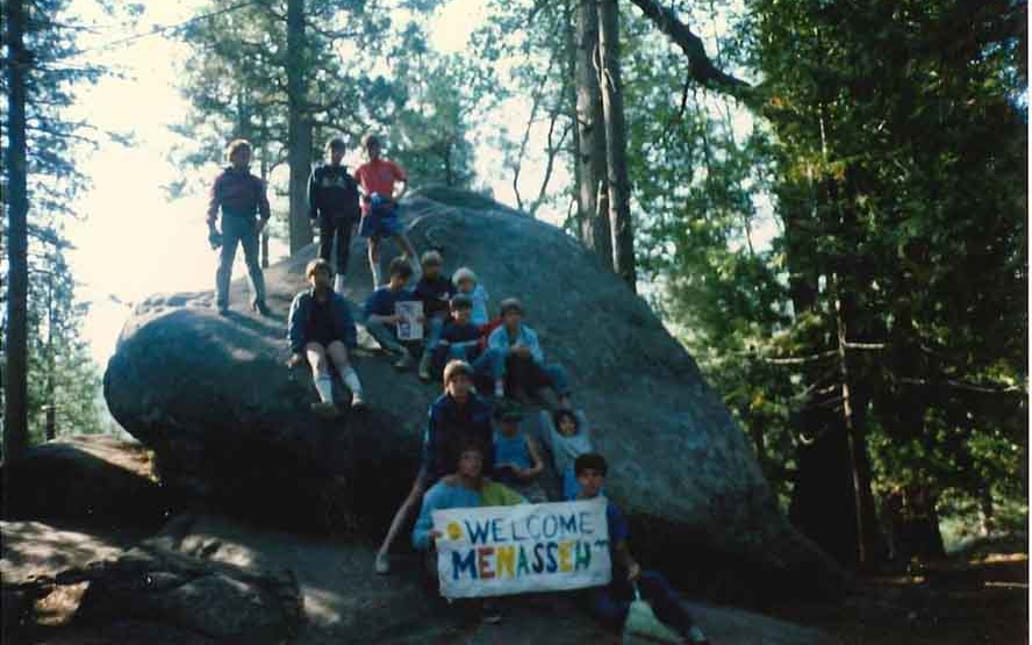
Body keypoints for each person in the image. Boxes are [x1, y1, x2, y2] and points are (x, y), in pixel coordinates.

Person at [574, 453, 709, 645]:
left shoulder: (609, 509)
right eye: (585, 475)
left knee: (655, 582)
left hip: (614, 573)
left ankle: (691, 632)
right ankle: (652, 628)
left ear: (602, 479)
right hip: (590, 582)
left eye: (596, 475)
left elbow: (620, 546)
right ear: (578, 478)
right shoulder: (567, 510)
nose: (591, 481)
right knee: (606, 611)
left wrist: (632, 565)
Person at [375, 360, 495, 575]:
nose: (459, 385)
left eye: (464, 380)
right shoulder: (440, 408)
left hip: (472, 462)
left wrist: (485, 472)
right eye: (455, 381)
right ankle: (385, 550)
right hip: (441, 464)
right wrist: (444, 475)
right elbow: (433, 445)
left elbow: (487, 442)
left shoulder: (480, 407)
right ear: (447, 384)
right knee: (416, 497)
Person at [411, 440, 523, 624]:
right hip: (447, 554)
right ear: (457, 462)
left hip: (482, 553)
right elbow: (417, 535)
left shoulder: (490, 489)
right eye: (467, 458)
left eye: (478, 458)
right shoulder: (439, 493)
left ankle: (486, 601)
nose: (474, 463)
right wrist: (429, 536)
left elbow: (524, 506)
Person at [287, 259, 365, 414]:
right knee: (318, 362)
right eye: (316, 274)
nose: (320, 278)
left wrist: (350, 344)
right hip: (313, 341)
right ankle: (327, 402)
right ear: (310, 278)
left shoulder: (338, 301)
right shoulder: (302, 300)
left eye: (324, 274)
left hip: (334, 339)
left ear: (330, 278)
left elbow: (348, 324)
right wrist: (296, 350)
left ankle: (357, 396)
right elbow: (295, 325)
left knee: (341, 360)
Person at [206, 139, 271, 316]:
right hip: (229, 220)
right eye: (241, 155)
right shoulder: (222, 180)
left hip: (249, 220)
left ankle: (259, 300)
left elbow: (264, 204)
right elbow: (213, 204)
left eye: (247, 155)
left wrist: (261, 221)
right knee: (225, 262)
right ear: (232, 157)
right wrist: (212, 227)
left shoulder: (254, 182)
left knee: (253, 263)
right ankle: (221, 301)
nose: (245, 159)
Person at [353, 133, 418, 287]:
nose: (371, 151)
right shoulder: (362, 169)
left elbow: (404, 181)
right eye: (368, 148)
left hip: (387, 207)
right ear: (364, 150)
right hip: (370, 210)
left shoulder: (389, 166)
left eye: (374, 147)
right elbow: (353, 185)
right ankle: (377, 282)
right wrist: (363, 196)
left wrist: (397, 198)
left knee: (400, 236)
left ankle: (417, 270)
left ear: (379, 148)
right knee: (373, 243)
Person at [486, 298, 571, 409]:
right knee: (515, 358)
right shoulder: (496, 334)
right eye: (510, 315)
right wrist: (512, 350)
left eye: (517, 314)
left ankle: (565, 403)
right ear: (503, 318)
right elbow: (495, 354)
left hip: (530, 370)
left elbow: (538, 357)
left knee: (556, 370)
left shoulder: (529, 334)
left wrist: (528, 354)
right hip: (507, 374)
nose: (514, 318)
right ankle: (517, 393)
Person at [308, 137, 362, 292]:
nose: (336, 154)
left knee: (343, 250)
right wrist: (313, 214)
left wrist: (355, 220)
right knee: (324, 248)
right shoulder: (319, 173)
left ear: (343, 153)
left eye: (339, 151)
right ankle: (319, 281)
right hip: (326, 215)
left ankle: (339, 286)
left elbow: (354, 199)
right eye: (333, 151)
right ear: (328, 152)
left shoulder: (347, 177)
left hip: (344, 217)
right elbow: (312, 193)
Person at [363, 257, 417, 370]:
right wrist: (389, 319)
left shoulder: (408, 295)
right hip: (386, 332)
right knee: (372, 324)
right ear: (392, 275)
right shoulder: (379, 295)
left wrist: (418, 320)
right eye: (399, 278)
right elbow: (369, 319)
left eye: (405, 279)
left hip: (404, 333)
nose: (402, 282)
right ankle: (402, 352)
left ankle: (406, 352)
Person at [413, 250, 457, 381]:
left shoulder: (447, 284)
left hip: (445, 320)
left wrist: (448, 313)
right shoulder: (420, 286)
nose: (434, 269)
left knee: (438, 323)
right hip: (425, 320)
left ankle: (426, 364)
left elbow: (455, 303)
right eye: (430, 266)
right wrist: (422, 316)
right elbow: (414, 305)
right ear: (424, 268)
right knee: (433, 324)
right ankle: (417, 360)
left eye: (436, 265)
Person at [492, 401, 546, 502]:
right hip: (505, 485)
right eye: (507, 421)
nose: (512, 424)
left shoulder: (525, 439)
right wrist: (508, 466)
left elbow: (539, 464)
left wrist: (531, 472)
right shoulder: (494, 440)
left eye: (515, 421)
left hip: (527, 482)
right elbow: (490, 466)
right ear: (499, 422)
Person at [539, 408, 595, 501]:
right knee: (575, 503)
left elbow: (580, 415)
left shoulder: (583, 436)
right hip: (572, 474)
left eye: (571, 422)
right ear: (558, 425)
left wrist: (566, 407)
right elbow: (544, 415)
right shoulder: (557, 440)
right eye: (563, 423)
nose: (568, 426)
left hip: (590, 473)